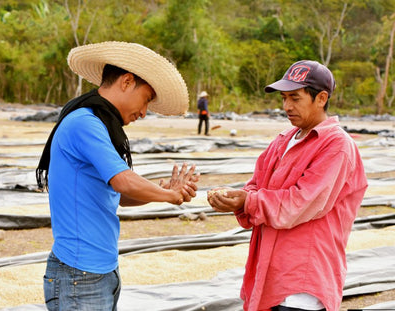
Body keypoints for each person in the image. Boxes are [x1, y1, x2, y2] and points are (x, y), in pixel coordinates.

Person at [36, 41, 199, 311]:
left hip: (98, 270)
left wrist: (161, 190)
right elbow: (123, 180)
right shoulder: (85, 123)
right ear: (126, 81)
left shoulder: (97, 123)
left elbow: (121, 196)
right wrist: (170, 195)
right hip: (80, 275)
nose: (144, 112)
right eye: (146, 99)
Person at [208, 60, 367, 311]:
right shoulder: (284, 139)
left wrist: (247, 201)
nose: (286, 106)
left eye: (295, 98)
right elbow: (256, 185)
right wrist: (236, 197)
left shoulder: (337, 145)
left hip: (303, 284)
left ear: (321, 98)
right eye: (283, 98)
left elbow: (301, 203)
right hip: (270, 273)